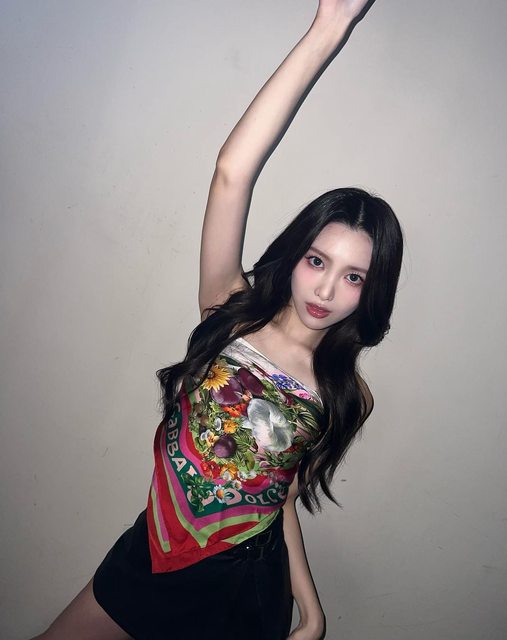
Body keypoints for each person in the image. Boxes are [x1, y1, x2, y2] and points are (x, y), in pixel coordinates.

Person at [32, 0, 403, 639]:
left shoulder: (345, 393)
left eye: (353, 277)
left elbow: (278, 494)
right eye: (318, 260)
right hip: (153, 553)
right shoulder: (229, 314)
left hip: (241, 593)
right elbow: (232, 174)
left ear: (372, 292)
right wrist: (329, 28)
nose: (326, 289)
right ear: (296, 255)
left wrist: (310, 608)